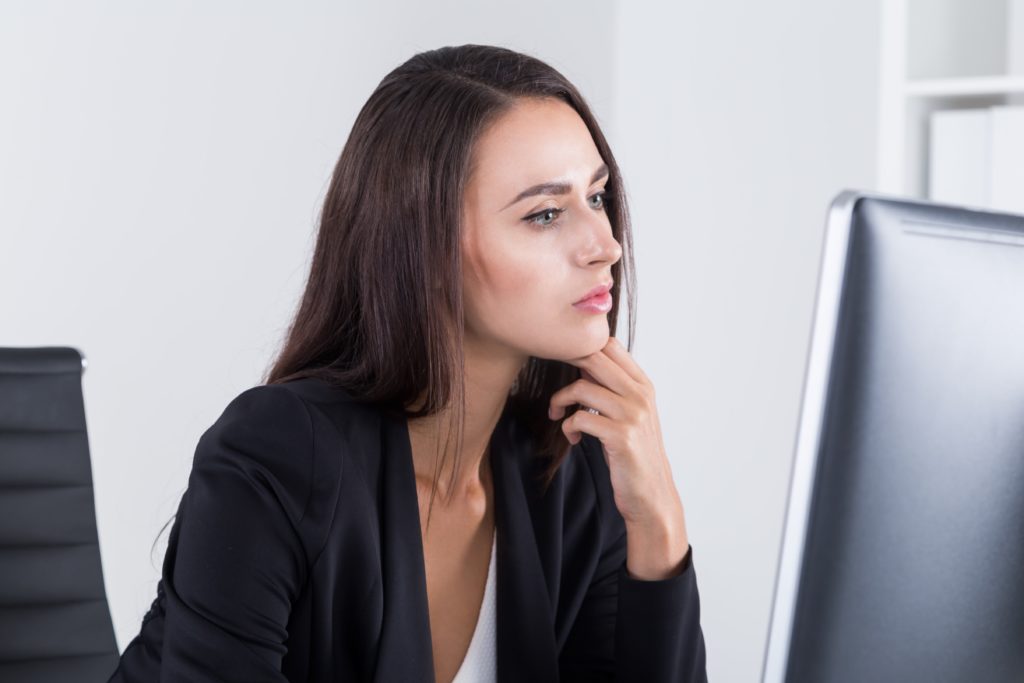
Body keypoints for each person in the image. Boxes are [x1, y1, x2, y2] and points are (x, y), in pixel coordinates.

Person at [107, 43, 708, 683]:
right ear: (424, 246)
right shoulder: (279, 454)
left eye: (597, 197)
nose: (605, 244)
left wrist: (658, 525)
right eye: (544, 214)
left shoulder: (571, 467)